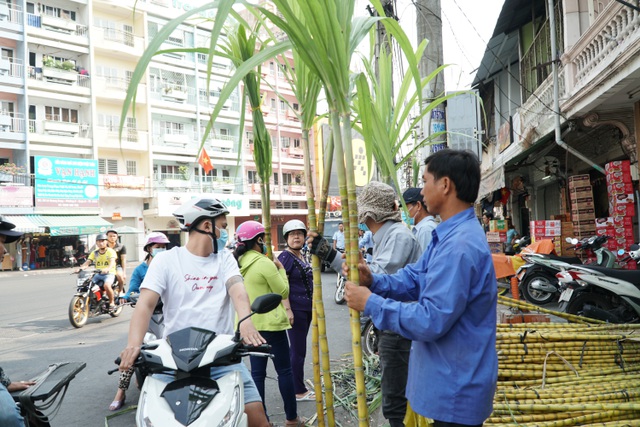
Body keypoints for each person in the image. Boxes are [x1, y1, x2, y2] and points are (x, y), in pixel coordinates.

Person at [344, 149, 498, 426]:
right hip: (449, 379)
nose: (420, 191)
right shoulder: (447, 234)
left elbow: (431, 319)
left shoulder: (459, 246)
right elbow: (415, 278)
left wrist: (371, 303)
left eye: (425, 180)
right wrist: (374, 281)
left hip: (456, 386)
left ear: (445, 185)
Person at [118, 198, 270, 427]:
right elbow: (146, 304)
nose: (224, 232)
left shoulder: (225, 259)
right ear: (207, 226)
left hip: (222, 360)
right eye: (223, 225)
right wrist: (133, 344)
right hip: (171, 362)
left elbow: (238, 291)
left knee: (257, 418)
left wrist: (246, 322)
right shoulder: (166, 261)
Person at [308, 181, 422, 427]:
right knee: (394, 394)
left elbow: (373, 277)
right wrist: (331, 254)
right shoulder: (386, 235)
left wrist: (331, 255)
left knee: (395, 402)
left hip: (399, 327)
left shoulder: (399, 236)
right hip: (393, 323)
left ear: (368, 214)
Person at [233, 220, 304, 427]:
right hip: (271, 326)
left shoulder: (238, 264)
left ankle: (262, 422)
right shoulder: (264, 263)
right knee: (284, 371)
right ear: (259, 240)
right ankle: (292, 419)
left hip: (248, 327)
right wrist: (280, 269)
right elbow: (282, 291)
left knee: (257, 375)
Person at [109, 232, 170, 411]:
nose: (161, 250)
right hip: (147, 317)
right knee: (131, 353)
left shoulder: (169, 266)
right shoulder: (141, 270)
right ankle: (120, 392)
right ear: (149, 249)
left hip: (168, 316)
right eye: (158, 247)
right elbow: (133, 290)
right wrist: (125, 297)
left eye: (164, 247)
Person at [278, 220, 315, 402]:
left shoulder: (301, 255)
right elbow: (281, 286)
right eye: (292, 235)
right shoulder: (286, 257)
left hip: (306, 309)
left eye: (299, 234)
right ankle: (298, 390)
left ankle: (297, 385)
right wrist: (288, 310)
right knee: (298, 350)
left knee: (300, 349)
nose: (296, 237)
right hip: (297, 309)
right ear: (286, 238)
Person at [78, 233, 118, 311]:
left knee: (106, 285)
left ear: (106, 242)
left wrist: (107, 269)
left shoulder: (110, 251)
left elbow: (112, 262)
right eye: (99, 241)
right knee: (87, 285)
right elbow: (88, 262)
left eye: (103, 241)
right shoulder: (95, 252)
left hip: (109, 273)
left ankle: (112, 303)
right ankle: (95, 300)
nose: (101, 243)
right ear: (96, 243)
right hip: (97, 274)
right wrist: (81, 268)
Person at [403, 187, 438, 252]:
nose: (405, 212)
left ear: (418, 205)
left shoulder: (426, 230)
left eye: (406, 207)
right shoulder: (422, 229)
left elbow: (424, 260)